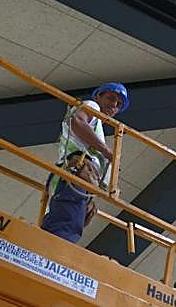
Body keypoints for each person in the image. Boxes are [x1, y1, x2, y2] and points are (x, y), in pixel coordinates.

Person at [40, 83, 129, 244]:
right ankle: (52, 254)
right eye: (111, 98)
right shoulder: (91, 106)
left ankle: (47, 248)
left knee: (66, 221)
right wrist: (107, 152)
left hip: (79, 181)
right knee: (65, 228)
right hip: (76, 172)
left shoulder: (97, 127)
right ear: (98, 97)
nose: (114, 105)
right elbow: (78, 122)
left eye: (119, 105)